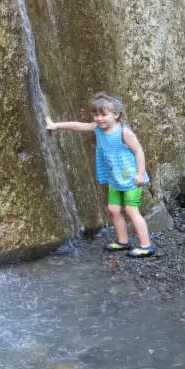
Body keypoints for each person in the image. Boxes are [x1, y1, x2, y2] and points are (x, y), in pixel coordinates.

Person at [46, 92, 156, 257]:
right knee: (113, 210)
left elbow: (139, 152)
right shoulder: (97, 128)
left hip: (131, 179)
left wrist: (140, 174)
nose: (99, 118)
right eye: (96, 114)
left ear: (116, 114)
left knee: (132, 210)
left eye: (104, 114)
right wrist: (56, 125)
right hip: (115, 179)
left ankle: (146, 245)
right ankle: (123, 241)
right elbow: (78, 126)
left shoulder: (123, 132)